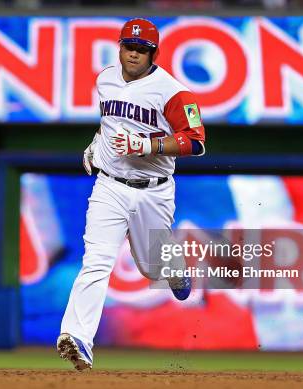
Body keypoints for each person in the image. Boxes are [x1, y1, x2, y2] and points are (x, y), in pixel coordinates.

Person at [56, 18, 206, 371]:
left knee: (151, 267)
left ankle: (173, 265)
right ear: (120, 46)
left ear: (154, 53)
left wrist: (149, 144)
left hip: (153, 193)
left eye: (142, 49)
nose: (134, 53)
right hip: (109, 185)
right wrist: (97, 144)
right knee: (96, 261)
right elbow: (109, 123)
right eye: (129, 46)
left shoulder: (173, 92)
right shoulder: (105, 79)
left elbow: (196, 141)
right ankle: (77, 338)